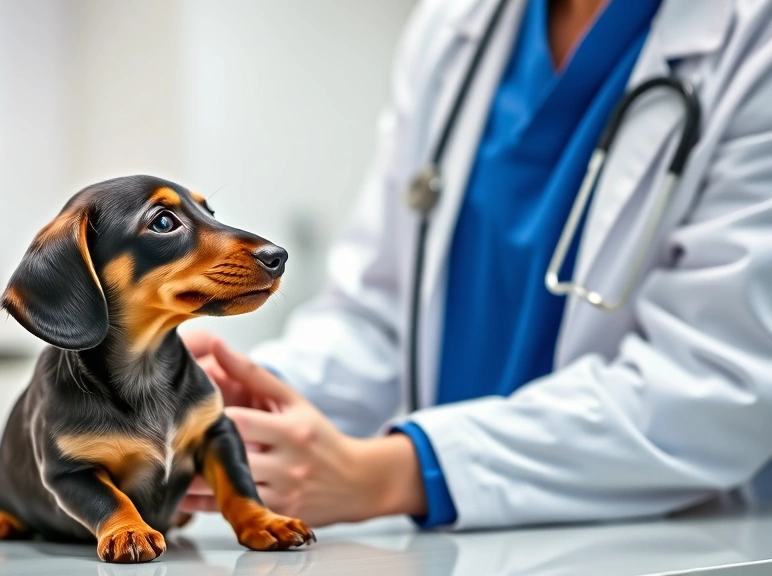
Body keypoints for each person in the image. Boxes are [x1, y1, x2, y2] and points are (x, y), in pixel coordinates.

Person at [178, 0, 772, 530]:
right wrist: (233, 398)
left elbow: (717, 383)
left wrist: (402, 472)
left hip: (662, 546)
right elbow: (380, 315)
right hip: (462, 550)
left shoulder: (752, 36)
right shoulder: (455, 24)